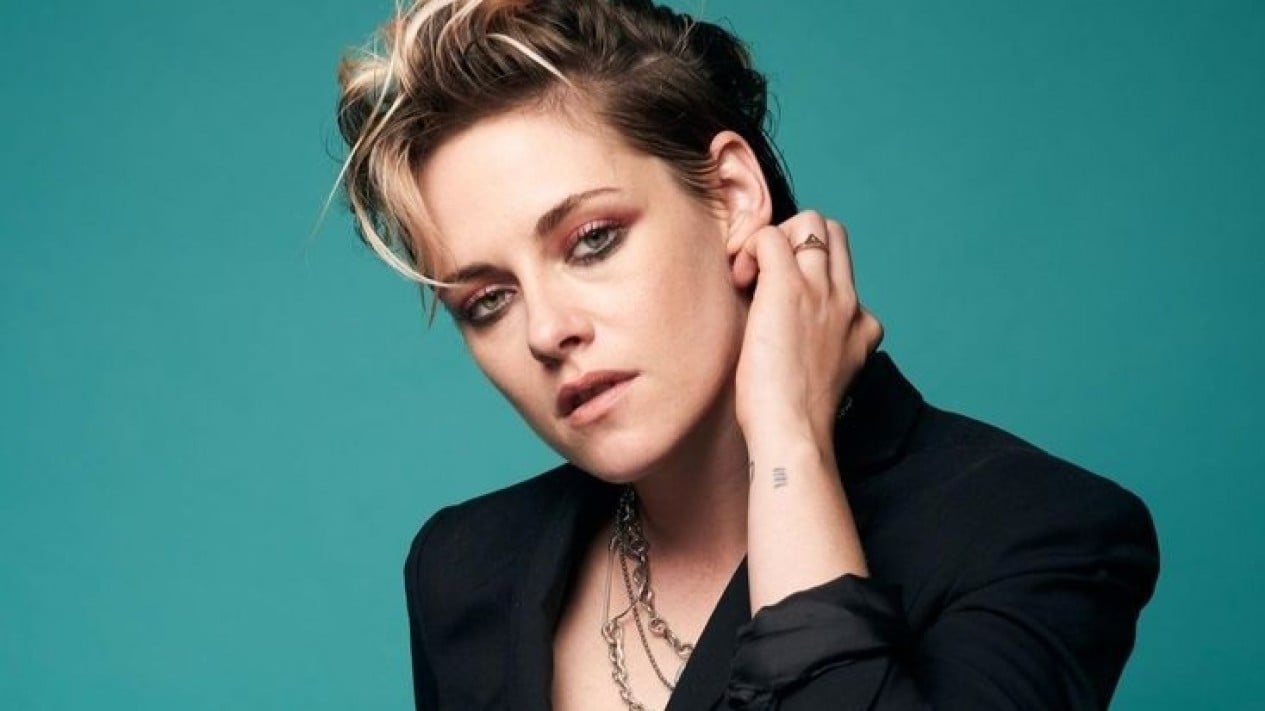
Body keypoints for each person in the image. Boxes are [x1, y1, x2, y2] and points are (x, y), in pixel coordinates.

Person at [333, 1, 1160, 709]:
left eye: (592, 240)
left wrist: (790, 438)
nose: (546, 331)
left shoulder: (1033, 531)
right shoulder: (464, 568)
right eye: (487, 300)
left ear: (731, 196)